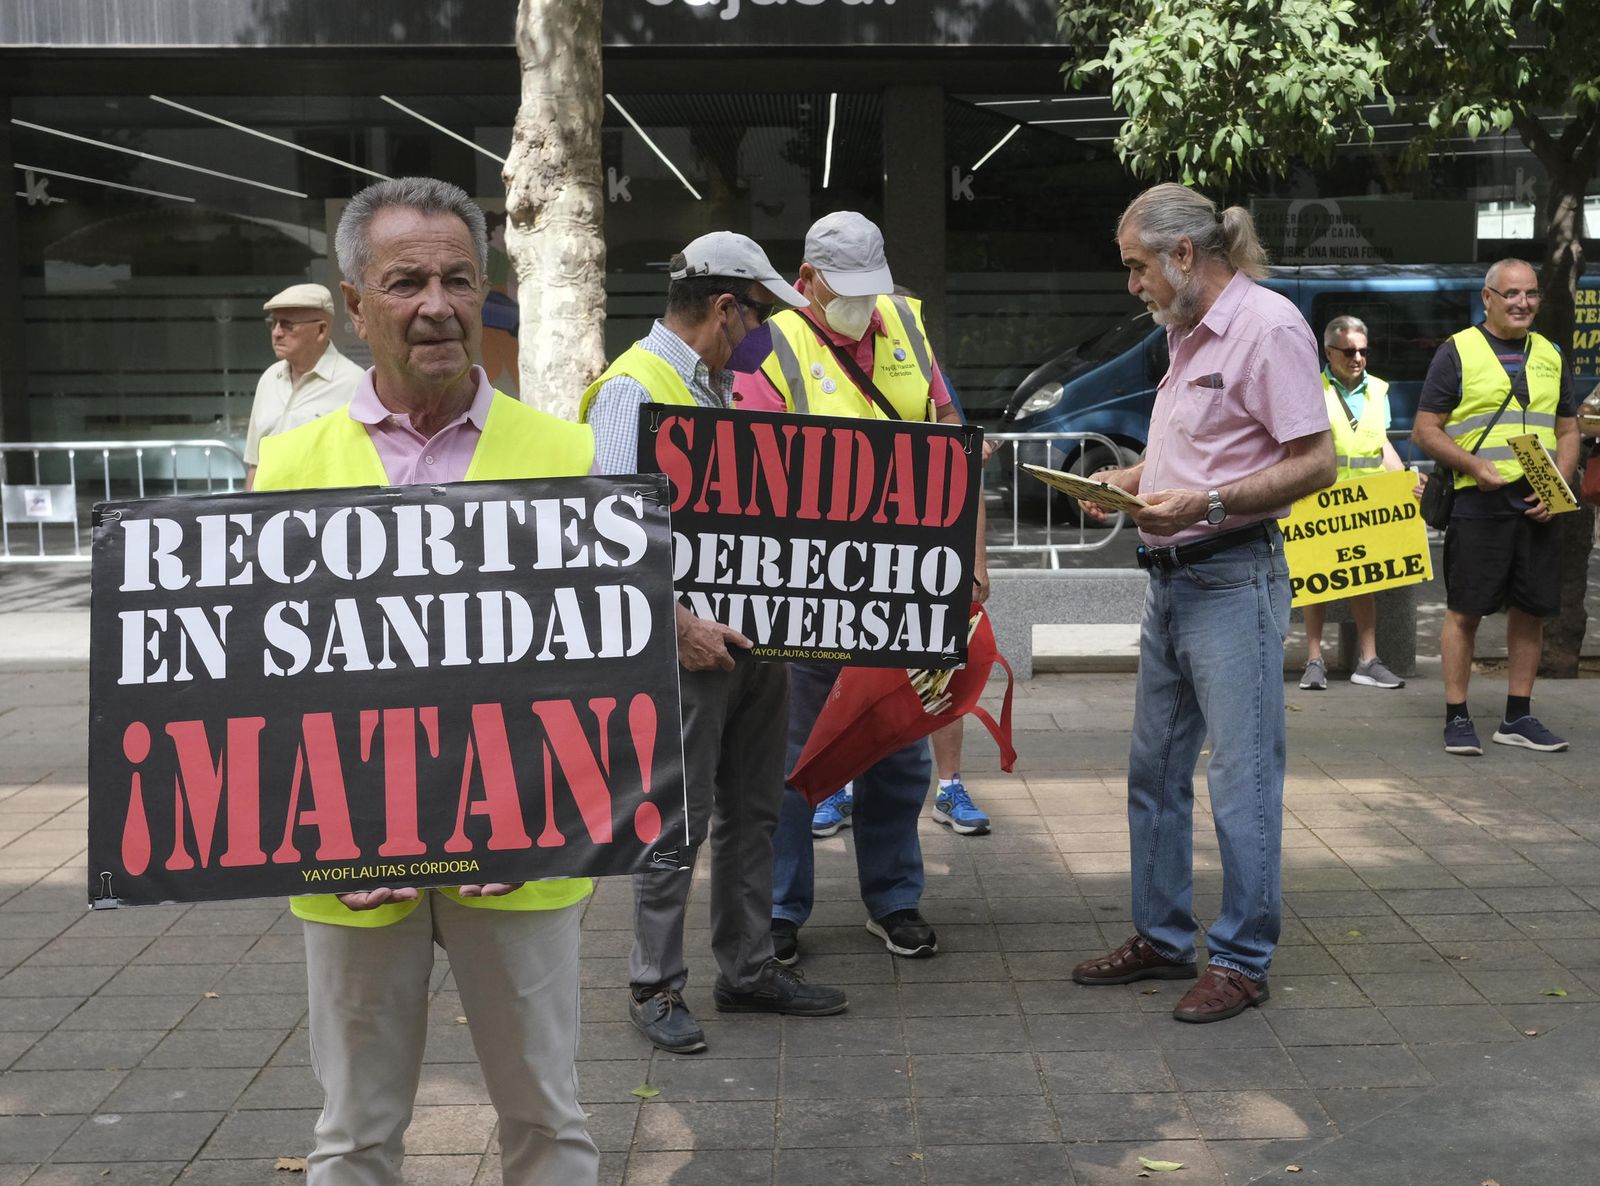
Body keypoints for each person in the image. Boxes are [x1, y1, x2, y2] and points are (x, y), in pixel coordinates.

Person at [253, 177, 599, 1184]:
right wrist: (320, 828)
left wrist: (537, 810)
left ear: (484, 288)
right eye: (406, 281)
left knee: (546, 1116)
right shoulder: (287, 466)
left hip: (524, 851)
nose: (437, 303)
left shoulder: (563, 454)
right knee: (352, 1134)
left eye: (456, 277)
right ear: (355, 306)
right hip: (346, 859)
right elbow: (263, 690)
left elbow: (591, 668)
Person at [1068, 184, 1334, 1023]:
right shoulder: (1184, 333)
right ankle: (1161, 935)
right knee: (1153, 772)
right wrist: (1125, 481)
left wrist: (1209, 503)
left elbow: (1317, 461)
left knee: (1242, 777)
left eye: (1137, 265)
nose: (1133, 284)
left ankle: (1245, 959)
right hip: (1173, 581)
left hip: (1232, 577)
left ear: (1184, 254)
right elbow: (1191, 451)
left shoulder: (1270, 327)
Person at [580, 231, 848, 1054]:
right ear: (724, 306)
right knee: (677, 817)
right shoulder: (634, 387)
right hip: (686, 647)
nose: (762, 331)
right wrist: (681, 626)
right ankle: (654, 985)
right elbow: (611, 533)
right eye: (757, 313)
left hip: (750, 639)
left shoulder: (718, 386)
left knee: (753, 811)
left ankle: (748, 967)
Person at [731, 210, 989, 961]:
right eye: (844, 290)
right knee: (791, 753)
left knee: (898, 746)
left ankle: (894, 898)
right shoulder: (767, 347)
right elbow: (754, 478)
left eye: (869, 288)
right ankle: (781, 910)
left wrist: (973, 561)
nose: (862, 304)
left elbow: (952, 444)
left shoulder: (904, 324)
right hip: (807, 588)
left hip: (905, 585)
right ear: (804, 280)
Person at [1411, 259, 1578, 756]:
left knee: (1531, 610)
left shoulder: (1551, 353)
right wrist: (1473, 465)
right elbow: (1425, 429)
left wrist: (1559, 489)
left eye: (1530, 294)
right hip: (1478, 499)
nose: (1522, 303)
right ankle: (1457, 716)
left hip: (1539, 500)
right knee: (1465, 609)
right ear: (1488, 298)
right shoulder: (1457, 351)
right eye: (1511, 294)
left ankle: (1517, 717)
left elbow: (1567, 430)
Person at [1298, 315, 1408, 692]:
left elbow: (1381, 445)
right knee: (1318, 581)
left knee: (1365, 581)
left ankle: (1368, 660)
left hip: (1366, 502)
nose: (1357, 357)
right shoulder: (1312, 388)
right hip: (1322, 500)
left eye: (1363, 350)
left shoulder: (1378, 390)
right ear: (1329, 352)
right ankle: (1315, 660)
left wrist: (1404, 479)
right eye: (1348, 351)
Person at [243, 282, 363, 489]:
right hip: (267, 514)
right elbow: (256, 464)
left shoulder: (354, 384)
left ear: (321, 330)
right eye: (273, 323)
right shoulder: (269, 379)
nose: (276, 332)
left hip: (320, 514)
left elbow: (362, 467)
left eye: (287, 324)